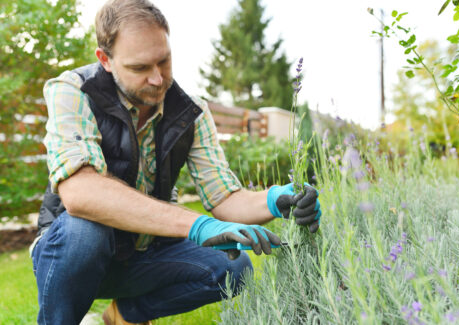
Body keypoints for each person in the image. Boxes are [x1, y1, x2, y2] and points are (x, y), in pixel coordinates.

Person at [30, 0, 322, 324]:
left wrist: (275, 199)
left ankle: (122, 317)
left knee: (234, 267)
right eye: (140, 68)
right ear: (105, 60)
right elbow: (81, 193)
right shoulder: (73, 90)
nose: (158, 79)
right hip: (72, 255)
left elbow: (224, 198)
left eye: (164, 61)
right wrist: (196, 225)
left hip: (144, 255)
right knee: (85, 233)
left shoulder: (190, 111)